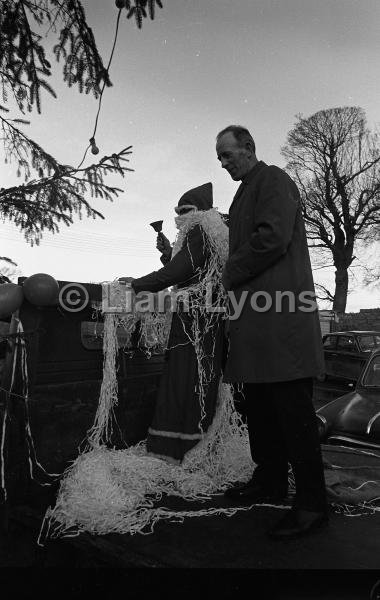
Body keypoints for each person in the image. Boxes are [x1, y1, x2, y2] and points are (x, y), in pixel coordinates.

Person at [215, 125, 328, 539]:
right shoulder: (246, 189)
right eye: (220, 158)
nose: (224, 164)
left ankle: (313, 504)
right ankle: (270, 480)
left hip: (281, 317)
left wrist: (229, 271)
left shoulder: (274, 179)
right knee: (260, 406)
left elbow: (273, 237)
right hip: (256, 319)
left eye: (228, 155)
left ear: (249, 148)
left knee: (292, 412)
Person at [120, 183, 228, 464]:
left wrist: (138, 284)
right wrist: (168, 252)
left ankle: (182, 447)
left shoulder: (201, 230)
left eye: (185, 210)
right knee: (192, 378)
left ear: (200, 211)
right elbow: (191, 270)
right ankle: (191, 443)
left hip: (197, 319)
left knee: (186, 378)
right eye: (177, 211)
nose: (180, 215)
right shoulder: (204, 232)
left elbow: (181, 270)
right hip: (199, 317)